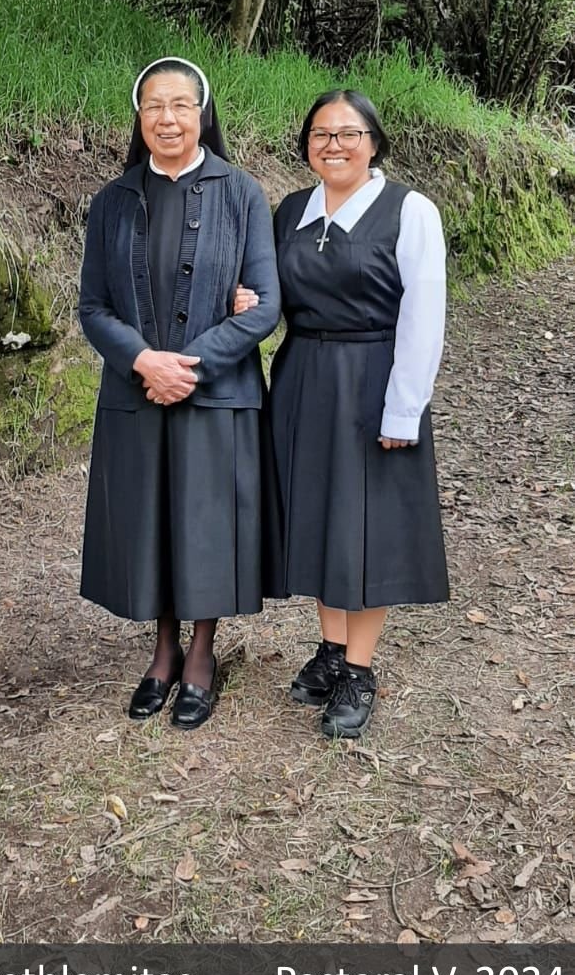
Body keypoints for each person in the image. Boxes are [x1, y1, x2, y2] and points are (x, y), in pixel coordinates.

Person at [78, 56, 282, 730]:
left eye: (180, 105)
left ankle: (200, 654)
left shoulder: (242, 193)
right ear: (139, 118)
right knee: (152, 517)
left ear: (202, 113)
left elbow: (264, 304)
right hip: (137, 392)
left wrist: (189, 367)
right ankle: (162, 650)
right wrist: (144, 361)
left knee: (206, 520)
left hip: (215, 393)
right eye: (153, 106)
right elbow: (93, 306)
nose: (167, 118)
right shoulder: (112, 202)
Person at [245, 88, 448, 739]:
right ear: (307, 145)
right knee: (316, 517)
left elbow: (424, 315)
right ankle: (331, 650)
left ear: (374, 142)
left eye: (348, 133)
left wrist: (404, 409)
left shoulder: (409, 211)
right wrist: (245, 302)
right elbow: (270, 295)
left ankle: (359, 670)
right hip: (303, 377)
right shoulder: (291, 211)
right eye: (321, 134)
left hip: (372, 381)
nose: (333, 145)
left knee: (369, 528)